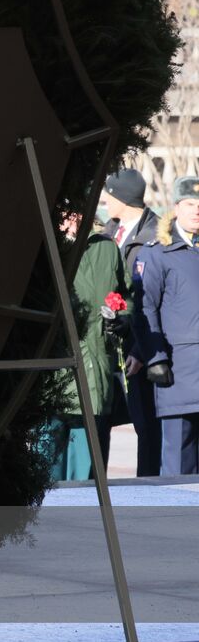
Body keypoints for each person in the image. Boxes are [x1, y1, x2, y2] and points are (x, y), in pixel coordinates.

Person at [40, 213, 126, 480]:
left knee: (89, 474)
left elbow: (128, 295)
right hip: (55, 376)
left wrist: (121, 318)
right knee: (47, 469)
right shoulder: (43, 246)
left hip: (96, 372)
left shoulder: (107, 247)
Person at [133, 177, 199, 477]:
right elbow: (145, 309)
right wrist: (155, 358)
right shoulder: (157, 252)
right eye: (190, 204)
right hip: (178, 371)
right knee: (178, 463)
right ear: (176, 208)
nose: (196, 211)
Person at [100, 168, 162, 477]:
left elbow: (154, 300)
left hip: (141, 348)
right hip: (109, 343)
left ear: (122, 198)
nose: (104, 200)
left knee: (147, 425)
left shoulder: (155, 237)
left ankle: (150, 488)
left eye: (109, 194)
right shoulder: (107, 233)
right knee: (106, 421)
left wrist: (139, 346)